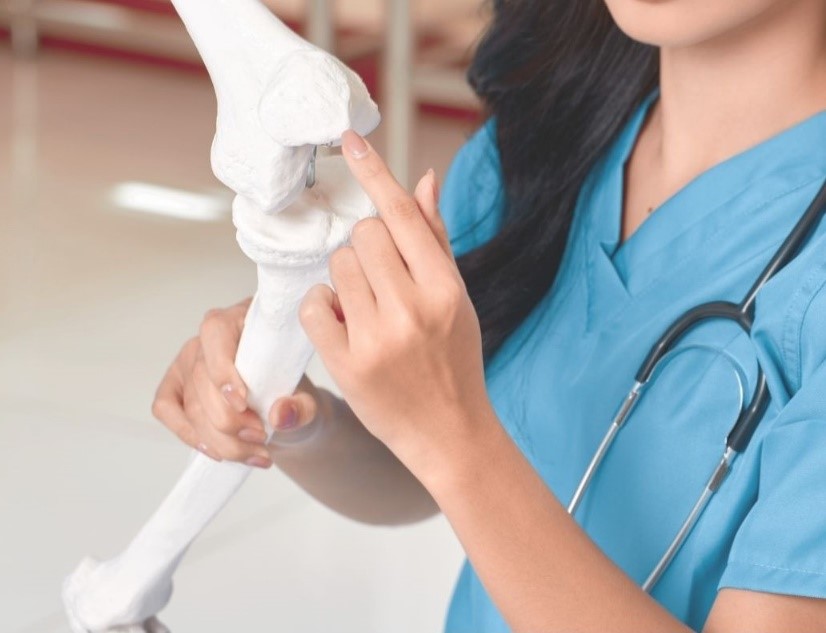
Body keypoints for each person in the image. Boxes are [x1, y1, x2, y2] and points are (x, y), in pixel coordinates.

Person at [151, 0, 826, 630]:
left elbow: (459, 446)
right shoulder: (549, 134)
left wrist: (452, 433)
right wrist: (292, 417)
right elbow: (422, 475)